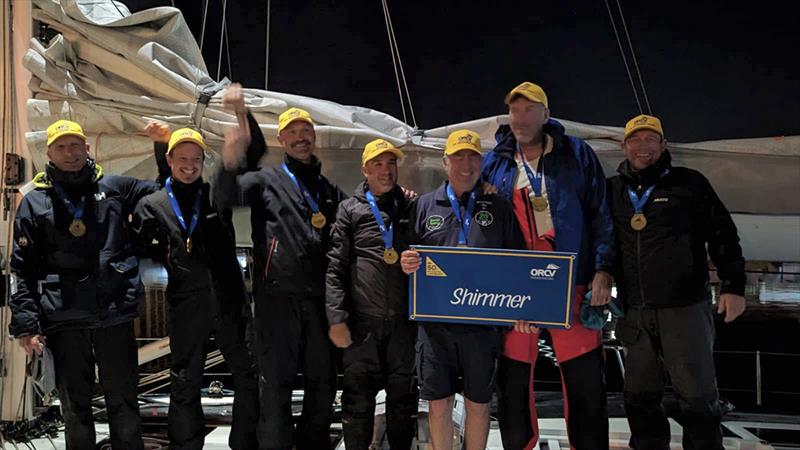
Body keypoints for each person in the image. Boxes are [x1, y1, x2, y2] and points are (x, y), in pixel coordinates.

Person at [9, 119, 161, 450]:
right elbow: (22, 270)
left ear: (87, 149)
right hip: (64, 318)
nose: (70, 153)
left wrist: (162, 146)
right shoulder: (34, 202)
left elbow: (165, 190)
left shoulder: (116, 187)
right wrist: (25, 326)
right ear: (48, 152)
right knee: (74, 408)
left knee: (124, 401)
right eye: (61, 147)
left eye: (75, 145)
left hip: (114, 314)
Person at [482, 81, 615, 450]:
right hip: (516, 286)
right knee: (513, 380)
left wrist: (602, 270)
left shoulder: (577, 153)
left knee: (584, 376)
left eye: (529, 110)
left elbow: (600, 213)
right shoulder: (494, 162)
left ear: (546, 115)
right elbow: (479, 221)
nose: (521, 118)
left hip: (571, 280)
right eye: (515, 111)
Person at [213, 95, 346, 449]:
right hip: (276, 301)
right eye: (293, 131)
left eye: (307, 130)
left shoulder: (328, 189)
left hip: (319, 303)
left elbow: (357, 215)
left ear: (313, 137)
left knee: (324, 384)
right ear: (282, 140)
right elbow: (225, 198)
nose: (301, 137)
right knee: (275, 386)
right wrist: (229, 161)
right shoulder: (264, 180)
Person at [609, 114, 746, 450]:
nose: (644, 147)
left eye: (651, 139)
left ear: (663, 145)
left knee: (698, 397)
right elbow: (601, 240)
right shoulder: (611, 189)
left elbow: (723, 234)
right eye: (636, 140)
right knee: (639, 398)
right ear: (624, 146)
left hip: (685, 308)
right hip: (635, 311)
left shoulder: (690, 183)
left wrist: (734, 285)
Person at [131, 121, 259, 449]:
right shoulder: (153, 203)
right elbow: (140, 250)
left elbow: (231, 178)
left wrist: (234, 151)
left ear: (204, 162)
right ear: (170, 160)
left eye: (197, 160)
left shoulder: (214, 194)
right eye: (182, 159)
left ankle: (244, 442)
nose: (190, 166)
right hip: (187, 303)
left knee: (247, 375)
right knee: (186, 380)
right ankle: (187, 445)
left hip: (230, 300)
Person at [400, 129, 524, 450]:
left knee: (478, 404)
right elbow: (404, 255)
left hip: (482, 326)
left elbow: (518, 264)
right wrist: (407, 262)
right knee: (438, 404)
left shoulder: (498, 208)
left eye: (472, 157)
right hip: (435, 325)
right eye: (458, 157)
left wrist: (520, 309)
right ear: (445, 163)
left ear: (481, 162)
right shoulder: (424, 206)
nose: (465, 164)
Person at [325, 138, 418, 449]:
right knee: (357, 404)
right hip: (362, 326)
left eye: (391, 163)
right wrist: (337, 318)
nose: (386, 170)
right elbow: (336, 267)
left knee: (403, 403)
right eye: (378, 164)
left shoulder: (410, 205)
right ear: (364, 169)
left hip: (403, 324)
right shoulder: (349, 210)